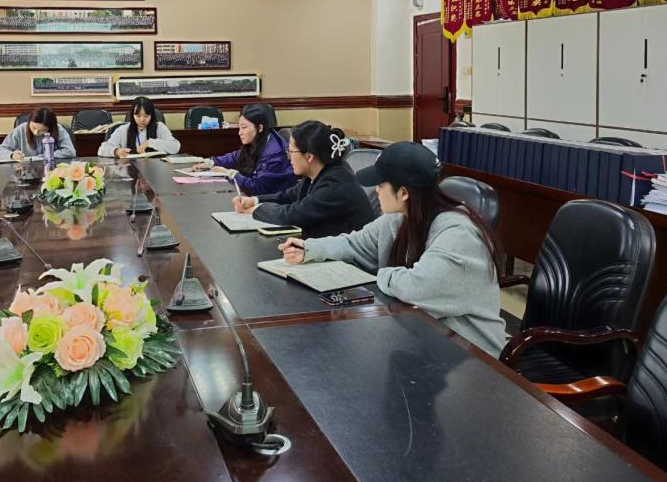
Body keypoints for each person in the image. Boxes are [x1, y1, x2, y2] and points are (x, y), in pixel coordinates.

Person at [277, 141, 508, 357]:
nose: (376, 191)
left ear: (404, 193)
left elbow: (418, 287)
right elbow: (353, 243)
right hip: (420, 336)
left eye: (380, 185)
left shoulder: (459, 234)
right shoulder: (398, 218)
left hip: (469, 353)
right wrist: (309, 249)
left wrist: (380, 275)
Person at [233, 120, 376, 238]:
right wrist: (255, 200)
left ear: (309, 156)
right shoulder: (316, 172)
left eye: (291, 151)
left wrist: (257, 210)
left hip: (349, 258)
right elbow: (289, 196)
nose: (288, 157)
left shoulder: (335, 182)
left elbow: (294, 215)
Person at [197, 103, 295, 196]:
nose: (240, 133)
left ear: (260, 128)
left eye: (244, 127)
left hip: (275, 202)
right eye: (239, 128)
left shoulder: (274, 155)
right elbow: (237, 157)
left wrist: (229, 173)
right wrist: (211, 162)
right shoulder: (260, 139)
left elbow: (257, 187)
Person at [97, 97, 180, 158]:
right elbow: (102, 150)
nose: (142, 120)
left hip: (155, 170)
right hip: (129, 170)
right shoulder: (123, 130)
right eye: (138, 116)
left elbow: (175, 147)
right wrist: (116, 151)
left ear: (152, 115)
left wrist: (151, 143)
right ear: (132, 115)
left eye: (146, 116)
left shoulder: (160, 127)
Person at [0, 107, 76, 161]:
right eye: (33, 127)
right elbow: (0, 150)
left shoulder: (58, 129)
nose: (36, 132)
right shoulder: (20, 129)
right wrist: (12, 155)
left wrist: (46, 155)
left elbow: (70, 151)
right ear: (29, 121)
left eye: (42, 130)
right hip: (25, 171)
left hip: (52, 170)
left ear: (50, 128)